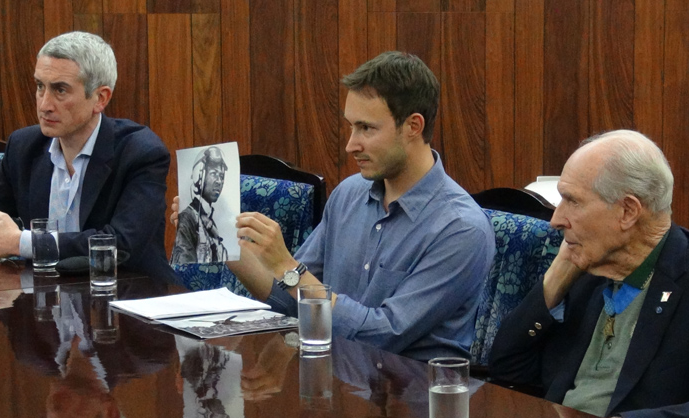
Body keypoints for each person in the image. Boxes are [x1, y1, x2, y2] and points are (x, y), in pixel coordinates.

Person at [172, 51, 494, 361]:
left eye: (366, 128)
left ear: (413, 126)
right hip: (334, 381)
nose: (351, 144)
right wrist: (221, 238)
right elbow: (289, 298)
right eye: (351, 126)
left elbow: (382, 334)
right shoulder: (349, 194)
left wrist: (288, 267)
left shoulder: (460, 228)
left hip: (408, 399)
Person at [488, 129, 689, 418]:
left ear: (628, 211)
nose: (556, 220)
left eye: (572, 202)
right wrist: (556, 277)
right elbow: (507, 370)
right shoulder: (592, 266)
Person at [0, 31, 171, 277]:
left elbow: (121, 245)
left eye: (60, 90)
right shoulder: (24, 146)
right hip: (45, 300)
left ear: (100, 98)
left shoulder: (141, 152)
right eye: (40, 86)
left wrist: (22, 243)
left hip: (128, 297)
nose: (44, 104)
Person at [172, 146, 229, 264]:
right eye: (214, 174)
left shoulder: (212, 224)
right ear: (199, 176)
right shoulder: (188, 218)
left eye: (221, 176)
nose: (219, 181)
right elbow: (185, 270)